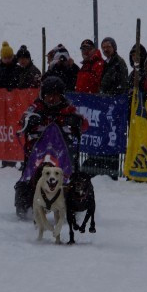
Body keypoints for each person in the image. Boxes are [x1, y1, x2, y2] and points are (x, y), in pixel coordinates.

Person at [14, 76, 90, 217]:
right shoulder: (37, 106)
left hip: (61, 152)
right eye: (49, 95)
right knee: (27, 178)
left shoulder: (68, 108)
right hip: (38, 152)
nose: (52, 99)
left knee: (72, 177)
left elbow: (84, 123)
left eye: (55, 96)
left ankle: (71, 203)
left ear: (61, 96)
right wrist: (30, 119)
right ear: (43, 95)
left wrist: (75, 121)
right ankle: (25, 202)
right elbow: (23, 119)